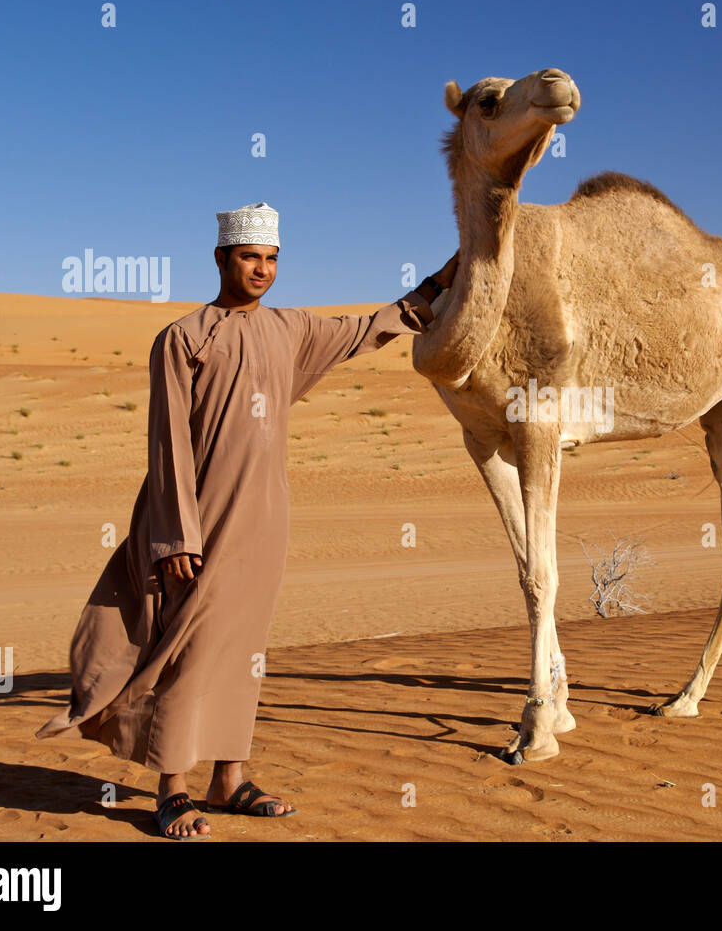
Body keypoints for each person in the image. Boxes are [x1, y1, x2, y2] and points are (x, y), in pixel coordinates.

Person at [37, 202, 458, 839]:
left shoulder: (289, 332)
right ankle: (172, 788)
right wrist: (175, 535)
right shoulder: (184, 337)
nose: (261, 269)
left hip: (265, 518)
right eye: (249, 257)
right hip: (197, 521)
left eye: (270, 259)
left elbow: (367, 327)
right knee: (188, 647)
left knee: (244, 652)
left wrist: (439, 283)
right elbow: (167, 443)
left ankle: (230, 779)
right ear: (221, 259)